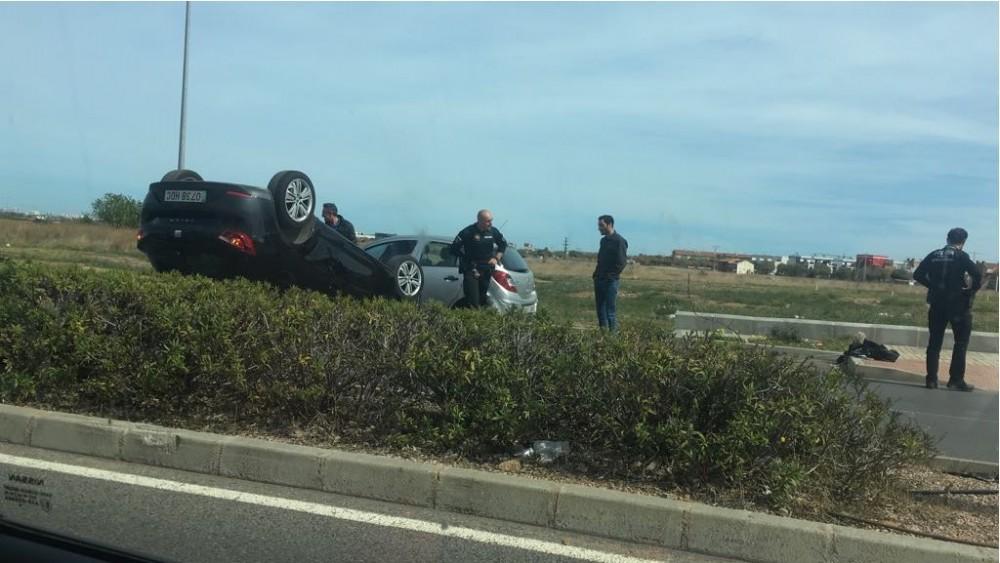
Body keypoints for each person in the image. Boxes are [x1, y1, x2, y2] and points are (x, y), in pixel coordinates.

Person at [913, 227, 982, 391]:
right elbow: (977, 274)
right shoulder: (961, 256)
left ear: (947, 239)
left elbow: (917, 274)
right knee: (961, 342)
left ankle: (931, 380)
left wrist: (933, 286)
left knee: (934, 342)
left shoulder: (934, 255)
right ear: (963, 242)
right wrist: (970, 291)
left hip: (937, 303)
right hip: (958, 305)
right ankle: (955, 380)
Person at [451, 209, 508, 309]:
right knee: (472, 301)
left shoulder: (493, 231)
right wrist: (465, 258)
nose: (491, 223)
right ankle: (471, 317)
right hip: (471, 270)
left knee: (482, 300)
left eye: (491, 220)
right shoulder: (468, 232)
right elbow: (453, 248)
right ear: (480, 221)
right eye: (488, 221)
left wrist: (496, 258)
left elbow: (503, 244)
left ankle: (478, 317)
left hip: (486, 270)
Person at [593, 214, 628, 332]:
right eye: (599, 225)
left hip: (610, 281)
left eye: (601, 225)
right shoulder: (603, 241)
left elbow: (621, 263)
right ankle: (604, 337)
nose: (599, 228)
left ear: (610, 225)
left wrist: (611, 276)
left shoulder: (619, 241)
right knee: (600, 311)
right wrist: (596, 275)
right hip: (599, 280)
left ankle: (613, 339)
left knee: (610, 312)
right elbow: (600, 260)